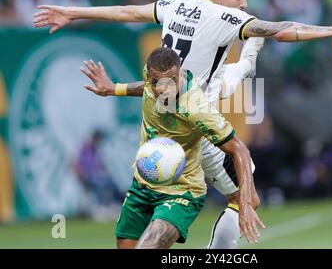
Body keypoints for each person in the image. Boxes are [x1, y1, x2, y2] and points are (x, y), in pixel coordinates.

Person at [34, 0, 332, 248]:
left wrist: (72, 11)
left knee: (234, 76)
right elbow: (282, 29)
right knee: (247, 198)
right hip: (197, 125)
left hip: (160, 118)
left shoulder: (176, 6)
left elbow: (128, 11)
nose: (243, 4)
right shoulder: (225, 18)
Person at [82, 47, 265, 248]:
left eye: (169, 82)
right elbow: (146, 87)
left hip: (181, 192)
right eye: (155, 82)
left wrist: (246, 203)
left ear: (179, 74)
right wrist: (114, 89)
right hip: (142, 185)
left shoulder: (196, 108)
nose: (161, 89)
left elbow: (240, 150)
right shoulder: (153, 78)